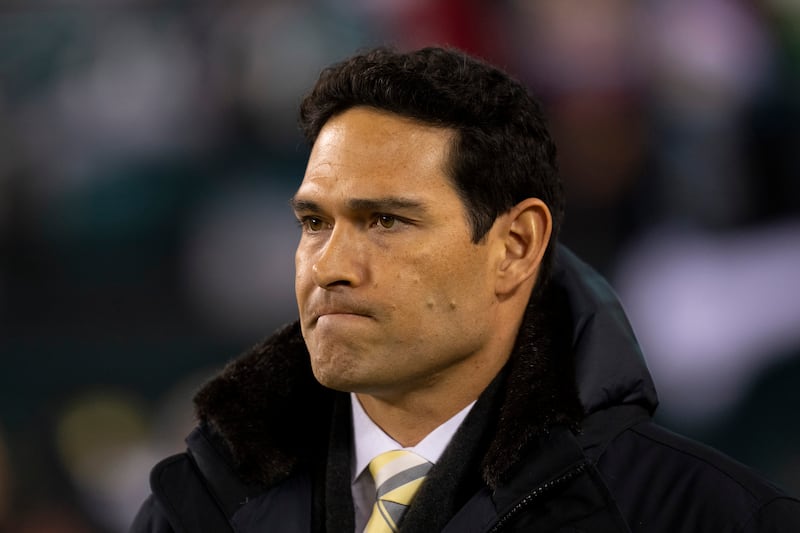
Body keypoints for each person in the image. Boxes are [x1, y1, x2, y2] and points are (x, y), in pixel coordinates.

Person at [129, 46, 800, 532]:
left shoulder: (708, 515)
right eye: (314, 222)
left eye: (385, 221)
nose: (328, 266)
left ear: (515, 247)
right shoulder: (194, 507)